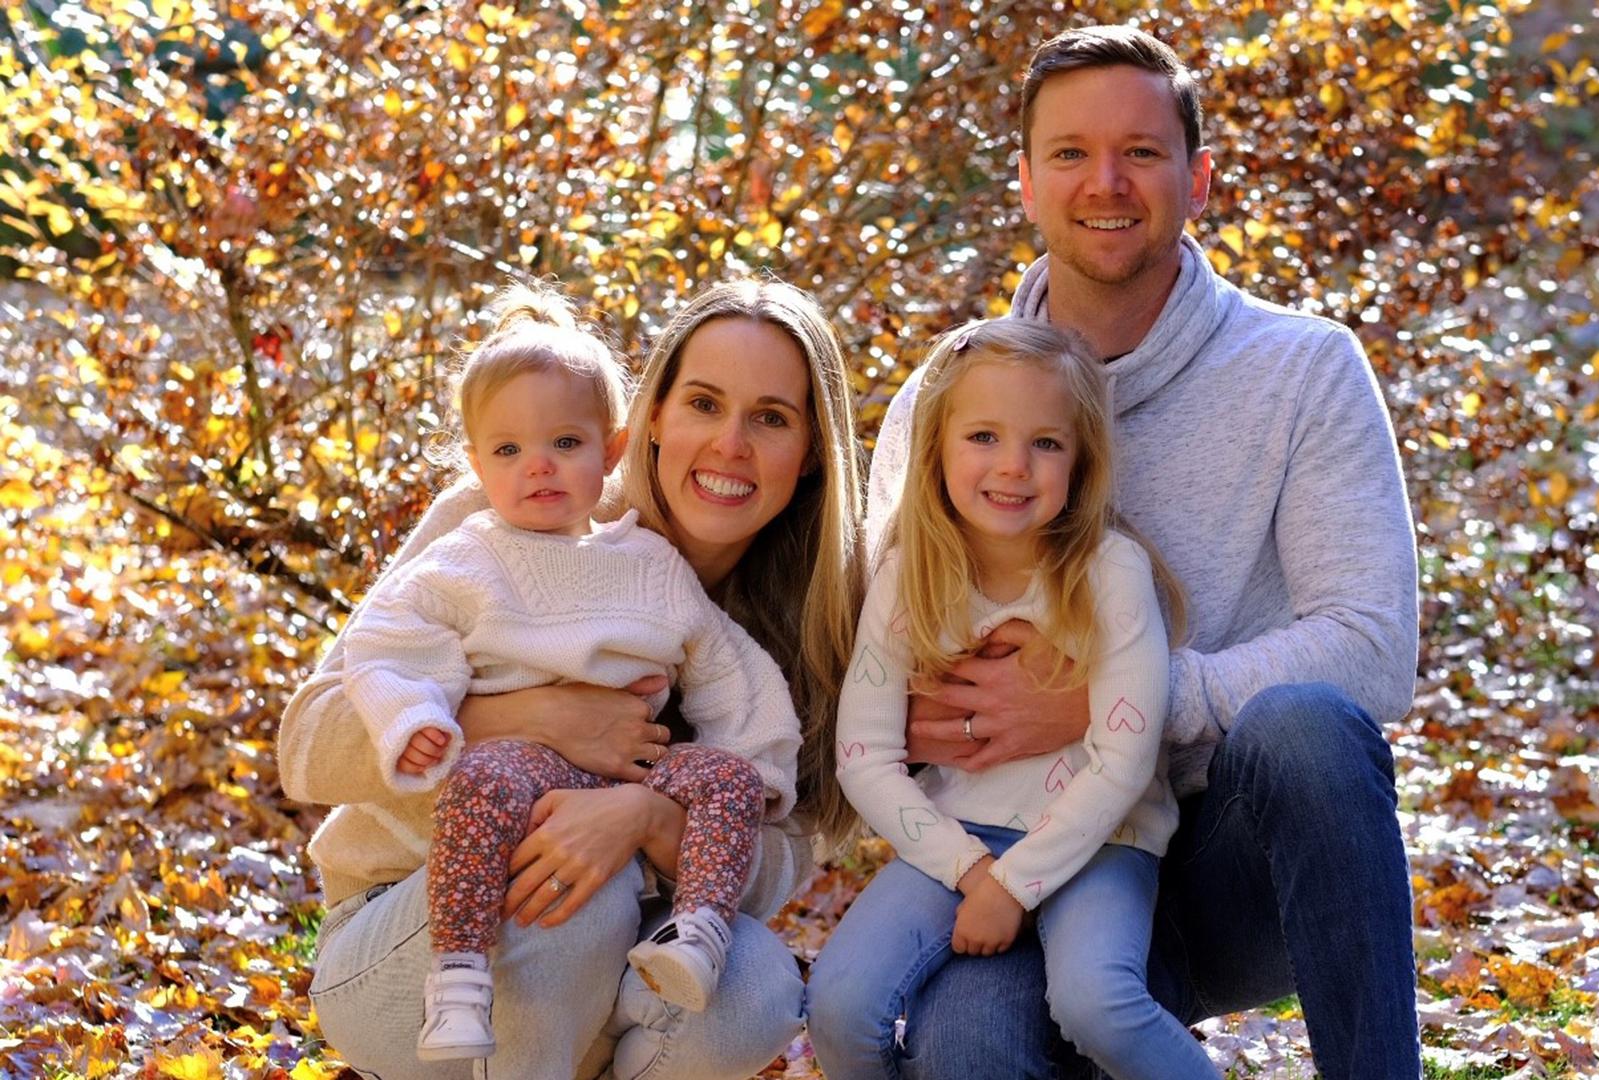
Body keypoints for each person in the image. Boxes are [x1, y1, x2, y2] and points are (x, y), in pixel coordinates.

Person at [860, 26, 1422, 1080]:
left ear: (1197, 179)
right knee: (965, 1052)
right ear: (1025, 183)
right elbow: (886, 647)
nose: (1104, 182)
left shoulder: (1302, 370)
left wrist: (1110, 703)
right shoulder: (951, 391)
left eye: (1142, 152)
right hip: (1017, 852)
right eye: (1069, 153)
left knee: (1306, 730)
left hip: (1228, 856)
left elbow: (1372, 647)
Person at [278, 278, 867, 1080]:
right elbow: (305, 744)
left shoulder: (810, 614)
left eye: (770, 417)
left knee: (754, 987)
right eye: (703, 402)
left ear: (811, 455)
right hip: (413, 930)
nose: (731, 443)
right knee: (571, 892)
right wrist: (534, 716)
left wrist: (643, 820)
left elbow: (785, 850)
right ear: (650, 420)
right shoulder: (511, 511)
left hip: (619, 933)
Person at [809, 319, 1212, 1080]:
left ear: (1081, 460)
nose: (1013, 467)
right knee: (839, 1003)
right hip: (957, 838)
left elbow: (1124, 762)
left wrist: (1015, 883)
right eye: (984, 437)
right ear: (938, 450)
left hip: (1103, 840)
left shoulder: (1110, 574)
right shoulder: (908, 581)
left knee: (1094, 1000)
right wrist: (971, 873)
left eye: (1046, 444)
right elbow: (863, 757)